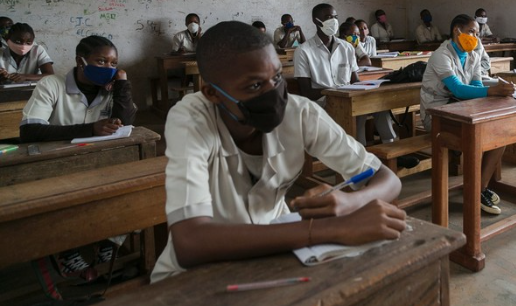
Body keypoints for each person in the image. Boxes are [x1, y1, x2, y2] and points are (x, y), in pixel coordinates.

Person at [151, 21, 405, 283]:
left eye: (276, 77)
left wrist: (350, 203)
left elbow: (387, 180)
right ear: (212, 93)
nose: (273, 94)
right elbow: (191, 241)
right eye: (254, 86)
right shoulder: (190, 119)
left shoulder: (299, 112)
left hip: (276, 255)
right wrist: (330, 229)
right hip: (198, 277)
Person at [20, 35, 136, 279]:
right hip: (55, 164)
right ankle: (67, 251)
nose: (108, 68)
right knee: (59, 201)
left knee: (124, 188)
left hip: (98, 162)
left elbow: (125, 123)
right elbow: (29, 130)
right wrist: (90, 129)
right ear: (80, 61)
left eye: (113, 63)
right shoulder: (52, 85)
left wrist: (122, 84)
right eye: (101, 61)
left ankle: (107, 243)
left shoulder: (111, 89)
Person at [420, 14, 516, 215]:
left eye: (477, 33)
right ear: (457, 31)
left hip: (460, 108)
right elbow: (457, 89)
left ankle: (478, 188)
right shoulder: (441, 55)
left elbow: (476, 85)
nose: (475, 37)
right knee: (479, 136)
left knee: (500, 134)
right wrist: (493, 91)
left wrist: (495, 91)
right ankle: (475, 191)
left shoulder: (472, 55)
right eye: (471, 31)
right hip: (436, 113)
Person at [294, 3, 397, 146]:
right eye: (328, 17)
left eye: (335, 17)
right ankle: (360, 147)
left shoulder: (346, 47)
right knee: (355, 109)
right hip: (323, 102)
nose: (333, 21)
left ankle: (389, 145)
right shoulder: (303, 51)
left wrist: (370, 87)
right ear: (316, 21)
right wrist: (336, 92)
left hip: (348, 98)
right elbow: (307, 92)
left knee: (378, 103)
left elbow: (355, 81)